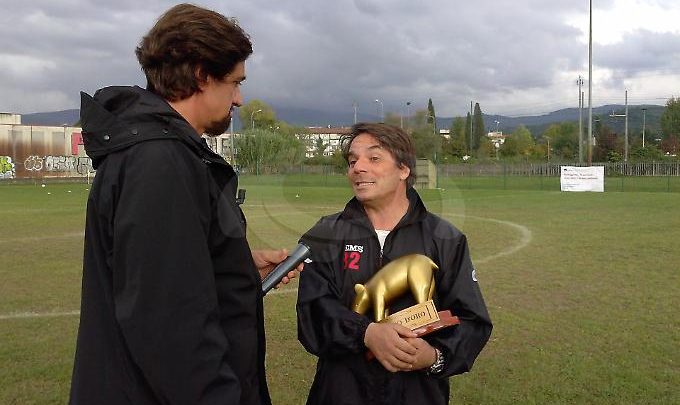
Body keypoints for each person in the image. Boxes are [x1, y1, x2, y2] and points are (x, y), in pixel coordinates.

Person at [69, 4, 298, 405]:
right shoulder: (160, 162)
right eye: (234, 82)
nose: (240, 99)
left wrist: (234, 266)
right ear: (201, 75)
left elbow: (167, 273)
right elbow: (170, 327)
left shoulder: (165, 154)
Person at [296, 123, 493, 405]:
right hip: (340, 393)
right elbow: (312, 313)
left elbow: (472, 321)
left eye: (373, 158)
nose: (358, 168)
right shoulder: (325, 234)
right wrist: (366, 333)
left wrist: (434, 357)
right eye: (352, 161)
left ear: (404, 170)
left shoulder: (446, 239)